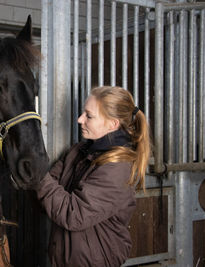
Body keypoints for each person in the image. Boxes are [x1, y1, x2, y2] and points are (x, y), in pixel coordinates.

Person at [36, 86, 151, 267]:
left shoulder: (118, 168)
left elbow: (73, 214)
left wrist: (37, 172)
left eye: (89, 116)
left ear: (112, 124)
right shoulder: (78, 151)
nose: (79, 119)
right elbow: (47, 193)